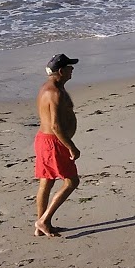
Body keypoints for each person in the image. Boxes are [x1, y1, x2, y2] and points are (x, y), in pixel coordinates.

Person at [34, 53, 81, 238]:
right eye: (70, 67)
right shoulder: (55, 93)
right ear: (60, 71)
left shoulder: (47, 87)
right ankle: (43, 221)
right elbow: (55, 125)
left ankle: (41, 225)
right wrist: (71, 147)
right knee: (71, 181)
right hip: (54, 142)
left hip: (44, 140)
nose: (72, 70)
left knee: (47, 181)